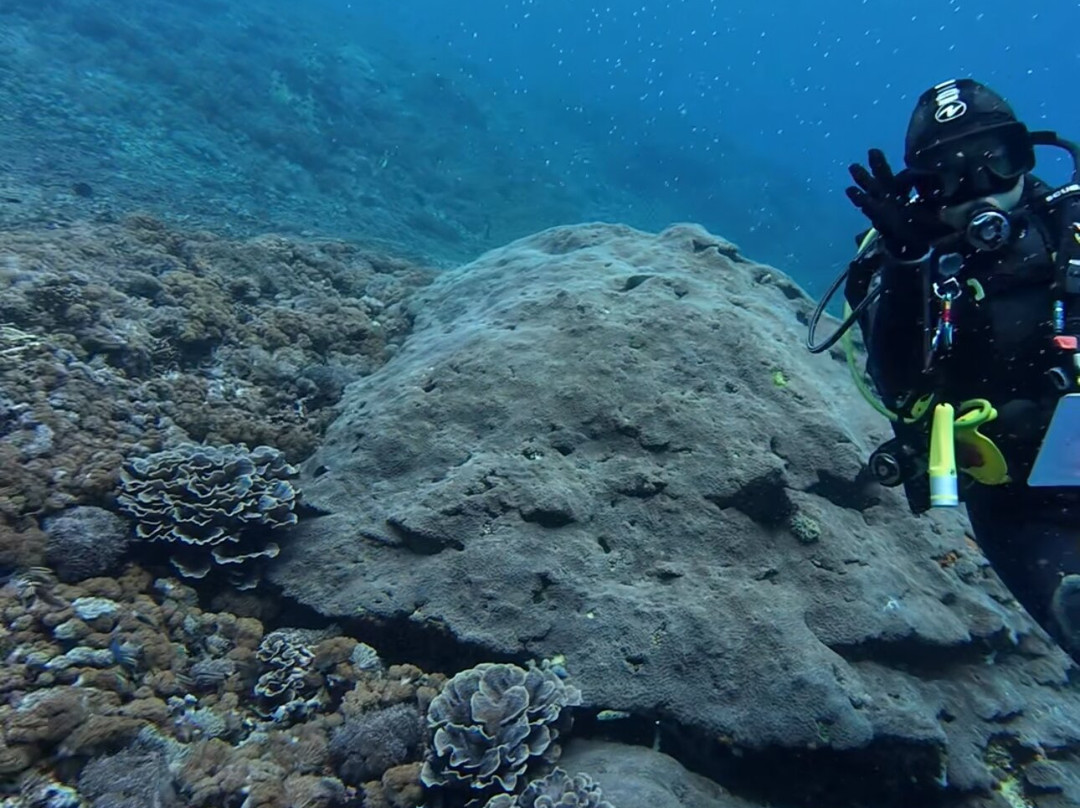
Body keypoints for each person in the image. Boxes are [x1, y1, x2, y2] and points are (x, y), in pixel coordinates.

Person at [806, 78, 1080, 655]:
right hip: (1021, 506)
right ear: (923, 187)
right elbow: (899, 389)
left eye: (996, 161)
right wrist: (906, 267)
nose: (979, 191)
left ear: (1025, 157)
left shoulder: (1070, 228)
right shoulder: (909, 260)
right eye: (948, 177)